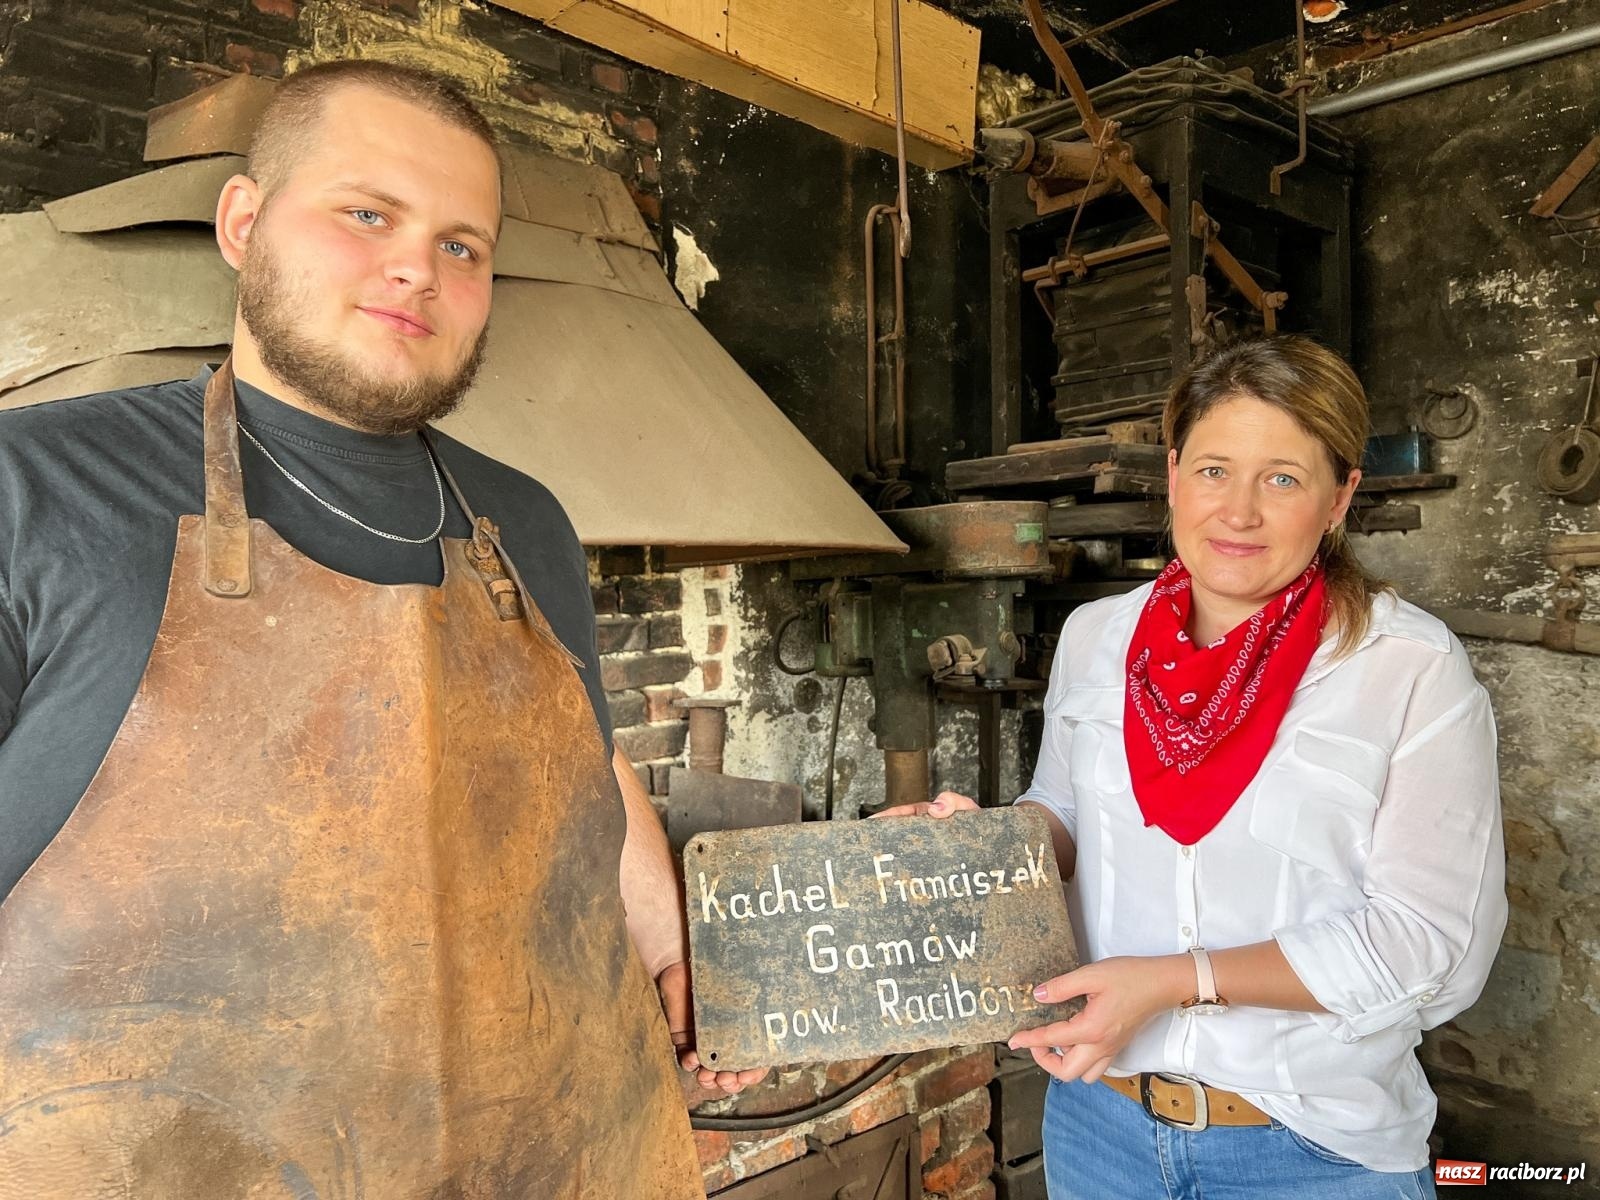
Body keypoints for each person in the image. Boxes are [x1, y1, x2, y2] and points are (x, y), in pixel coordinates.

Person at [0, 60, 754, 1198]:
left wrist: (663, 942)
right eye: (366, 214)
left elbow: (584, 771)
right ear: (244, 224)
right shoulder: (35, 487)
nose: (417, 267)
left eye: (464, 244)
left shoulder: (528, 526)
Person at [887, 336, 1506, 1198]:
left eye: (1283, 478)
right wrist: (981, 845)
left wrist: (1180, 983)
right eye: (1214, 470)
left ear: (1340, 498)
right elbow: (1063, 812)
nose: (1239, 512)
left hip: (1307, 1148)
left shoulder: (1408, 667)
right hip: (1100, 1128)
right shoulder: (1097, 637)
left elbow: (1431, 945)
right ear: (1173, 475)